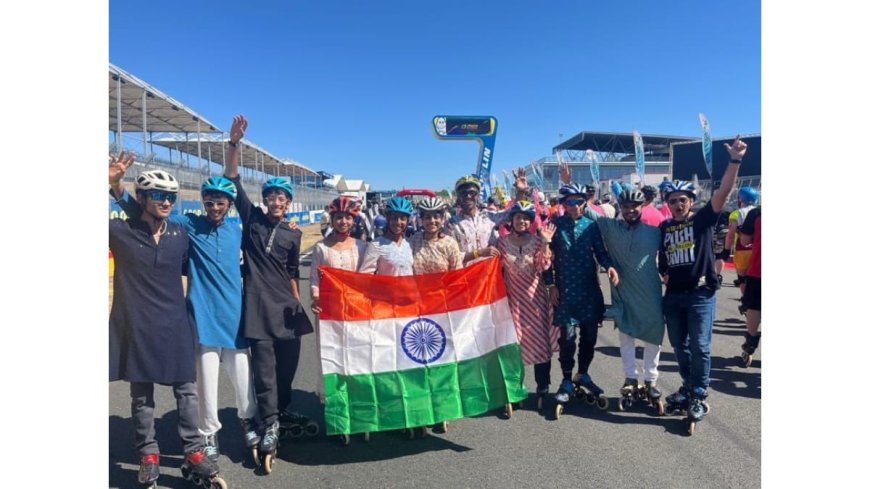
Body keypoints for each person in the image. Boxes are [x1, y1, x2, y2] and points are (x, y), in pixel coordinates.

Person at [111, 130, 260, 462]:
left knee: (243, 380)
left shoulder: (238, 229)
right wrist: (116, 187)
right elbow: (143, 213)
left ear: (229, 204)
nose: (215, 206)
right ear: (203, 204)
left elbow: (234, 181)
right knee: (204, 385)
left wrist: (233, 146)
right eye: (210, 202)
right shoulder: (188, 225)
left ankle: (249, 421)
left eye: (221, 202)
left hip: (235, 320)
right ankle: (208, 435)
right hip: (202, 320)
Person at [108, 157, 222, 487]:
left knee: (187, 391)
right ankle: (148, 454)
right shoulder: (120, 232)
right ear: (141, 199)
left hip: (175, 324)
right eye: (158, 195)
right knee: (142, 397)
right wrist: (111, 185)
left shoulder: (179, 234)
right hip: (136, 326)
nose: (167, 201)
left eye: (170, 196)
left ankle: (194, 450)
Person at [224, 115, 314, 471]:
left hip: (287, 310)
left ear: (289, 203)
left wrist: (297, 301)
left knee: (286, 369)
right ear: (264, 200)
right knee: (263, 370)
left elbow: (293, 271)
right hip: (258, 307)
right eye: (272, 195)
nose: (277, 200)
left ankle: (281, 408)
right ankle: (269, 421)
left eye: (282, 196)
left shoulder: (294, 234)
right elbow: (232, 178)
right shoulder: (252, 219)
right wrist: (233, 145)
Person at [658, 135, 747, 433]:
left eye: (683, 200)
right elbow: (663, 258)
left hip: (699, 294)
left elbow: (723, 191)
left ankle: (699, 394)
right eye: (673, 201)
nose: (678, 204)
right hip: (673, 295)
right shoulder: (666, 226)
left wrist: (734, 160)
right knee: (680, 348)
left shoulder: (703, 219)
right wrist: (664, 273)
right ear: (668, 205)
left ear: (691, 202)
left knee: (700, 347)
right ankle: (686, 387)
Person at [583, 187, 667, 413]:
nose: (630, 210)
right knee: (626, 335)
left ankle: (651, 379)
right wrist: (573, 187)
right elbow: (587, 210)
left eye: (635, 206)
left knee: (654, 336)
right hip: (623, 289)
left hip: (650, 291)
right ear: (620, 207)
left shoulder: (655, 232)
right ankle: (630, 377)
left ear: (643, 207)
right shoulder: (609, 227)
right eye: (626, 206)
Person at [542, 182, 619, 411]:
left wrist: (610, 267)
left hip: (589, 291)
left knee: (589, 337)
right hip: (565, 293)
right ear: (563, 204)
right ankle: (566, 378)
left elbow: (601, 252)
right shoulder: (554, 225)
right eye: (569, 202)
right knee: (567, 338)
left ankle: (582, 373)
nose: (574, 205)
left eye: (578, 201)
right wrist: (551, 285)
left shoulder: (591, 225)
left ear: (584, 202)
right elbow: (546, 261)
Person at [309, 196, 368, 423]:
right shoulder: (321, 248)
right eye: (338, 217)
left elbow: (369, 278)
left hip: (355, 312)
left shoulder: (362, 247)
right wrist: (315, 297)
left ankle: (358, 404)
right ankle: (335, 409)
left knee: (357, 356)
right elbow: (314, 278)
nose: (343, 222)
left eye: (347, 217)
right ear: (331, 219)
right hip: (330, 313)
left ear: (353, 220)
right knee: (332, 357)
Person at [496, 201, 558, 408]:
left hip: (536, 302)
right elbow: (496, 270)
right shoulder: (502, 243)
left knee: (541, 346)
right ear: (511, 220)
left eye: (525, 218)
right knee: (514, 348)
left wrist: (546, 242)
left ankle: (542, 388)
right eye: (517, 217)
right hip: (513, 302)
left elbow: (543, 266)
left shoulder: (538, 241)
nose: (521, 221)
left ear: (530, 221)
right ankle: (515, 388)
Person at [447, 173, 527, 265]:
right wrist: (479, 253)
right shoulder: (451, 224)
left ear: (477, 196)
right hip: (466, 276)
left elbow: (511, 213)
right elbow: (451, 257)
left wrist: (521, 192)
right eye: (463, 193)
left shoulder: (488, 217)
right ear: (458, 197)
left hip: (490, 274)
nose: (468, 196)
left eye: (472, 193)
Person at [359, 196, 415, 276]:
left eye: (402, 218)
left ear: (407, 221)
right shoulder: (376, 245)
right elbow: (365, 275)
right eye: (394, 218)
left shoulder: (409, 243)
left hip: (410, 288)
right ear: (388, 219)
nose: (398, 222)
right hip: (388, 288)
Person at [409, 197, 464, 274]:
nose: (432, 221)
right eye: (427, 217)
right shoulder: (414, 241)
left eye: (436, 217)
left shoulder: (450, 244)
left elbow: (457, 275)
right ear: (422, 219)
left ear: (442, 218)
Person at [725, 186, 759, 302]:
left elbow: (730, 234)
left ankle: (747, 301)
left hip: (742, 249)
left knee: (742, 278)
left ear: (740, 199)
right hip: (758, 248)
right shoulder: (759, 211)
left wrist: (726, 250)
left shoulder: (736, 213)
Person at [738, 205, 761, 366]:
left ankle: (750, 345)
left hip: (759, 269)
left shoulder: (757, 213)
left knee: (754, 307)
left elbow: (744, 241)